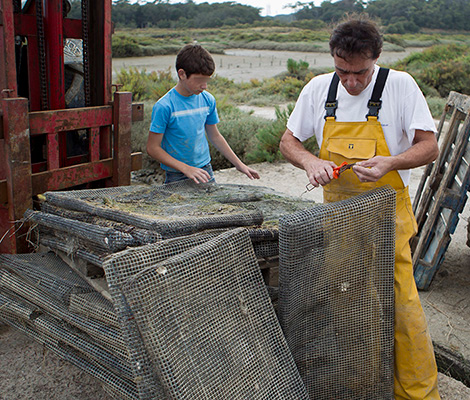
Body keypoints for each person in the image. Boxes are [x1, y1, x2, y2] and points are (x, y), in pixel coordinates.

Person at [279, 14, 441, 400]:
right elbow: (289, 141)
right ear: (333, 59)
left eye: (360, 73)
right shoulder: (318, 89)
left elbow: (429, 146)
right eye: (342, 71)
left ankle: (417, 393)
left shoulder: (400, 86)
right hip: (337, 217)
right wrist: (310, 162)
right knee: (347, 298)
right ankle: (363, 383)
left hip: (387, 215)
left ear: (376, 59)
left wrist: (391, 162)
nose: (351, 81)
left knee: (400, 302)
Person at [147, 44, 259, 184]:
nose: (204, 86)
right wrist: (186, 168)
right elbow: (152, 148)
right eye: (199, 80)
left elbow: (215, 136)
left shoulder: (208, 99)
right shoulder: (164, 106)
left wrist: (239, 165)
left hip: (205, 170)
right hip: (176, 174)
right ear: (182, 74)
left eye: (207, 80)